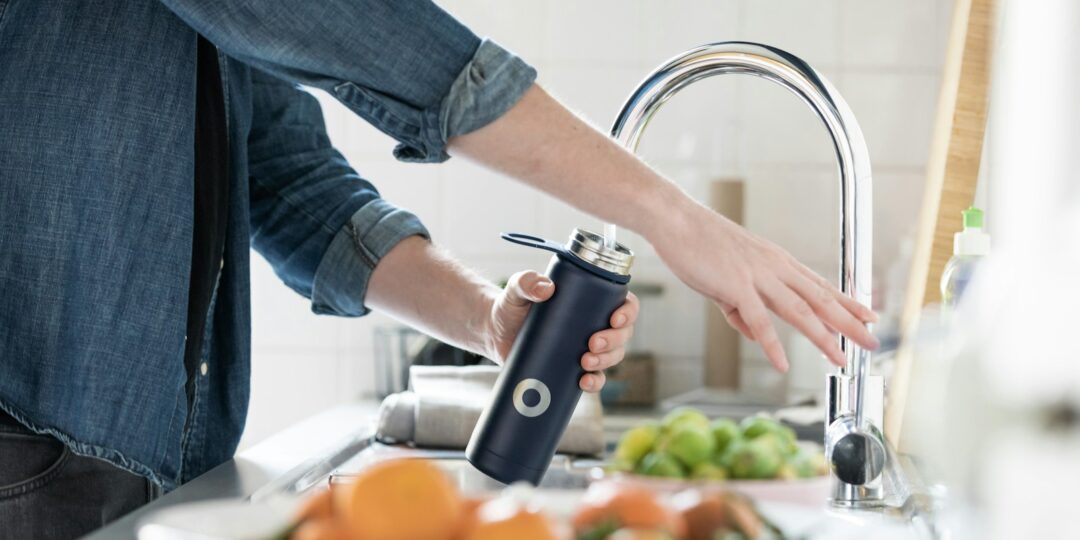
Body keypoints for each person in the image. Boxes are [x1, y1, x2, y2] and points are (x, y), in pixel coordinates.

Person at [0, 1, 878, 537]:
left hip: (131, 458)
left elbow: (286, 178)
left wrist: (487, 318)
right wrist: (672, 217)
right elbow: (376, 38)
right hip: (24, 444)